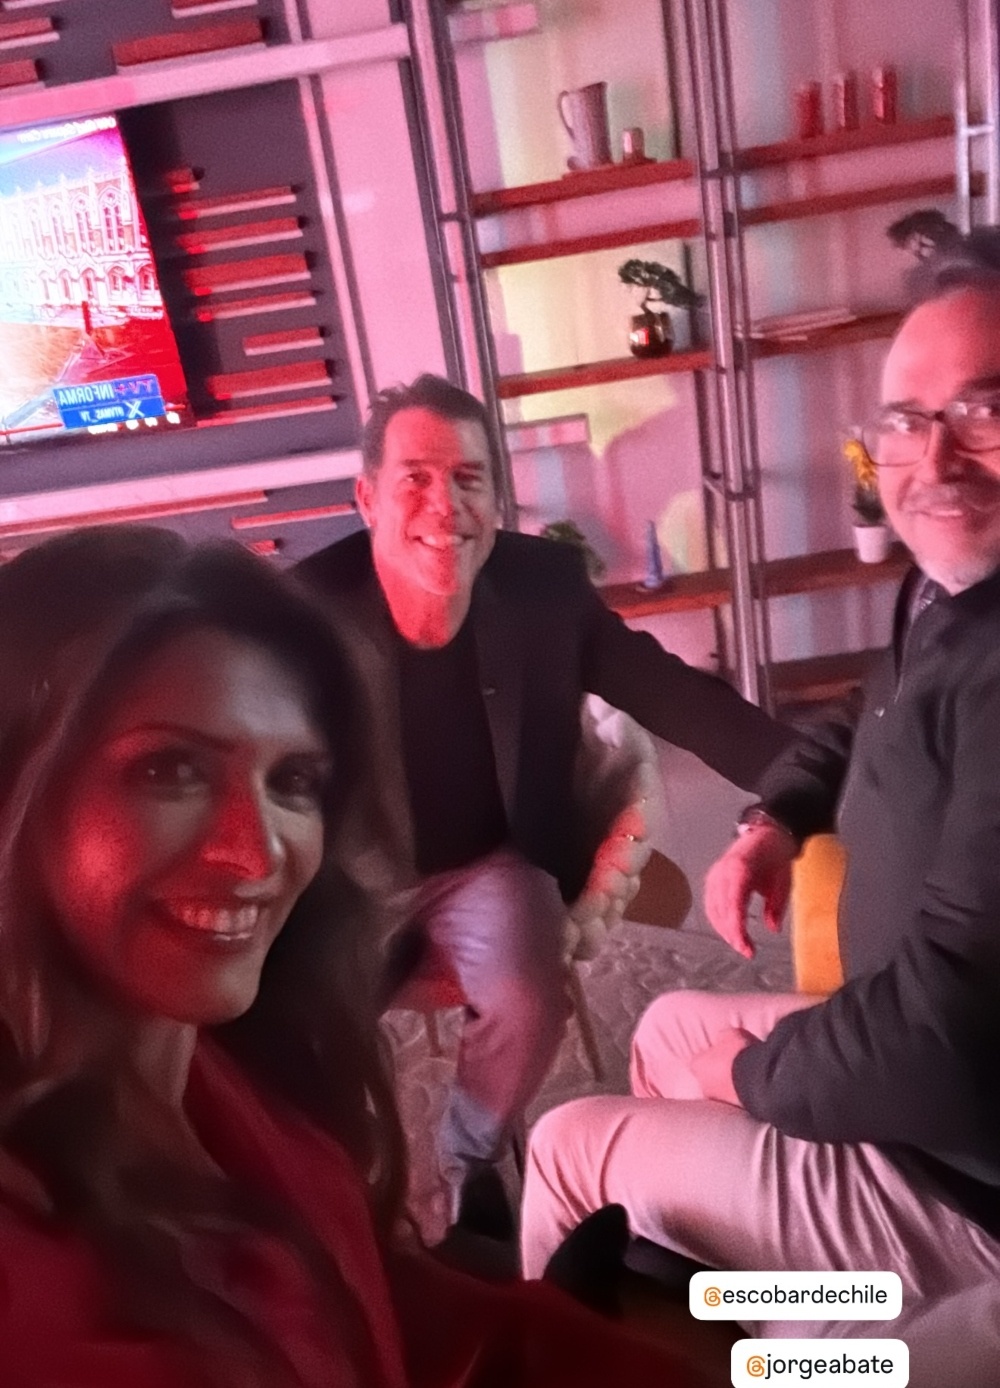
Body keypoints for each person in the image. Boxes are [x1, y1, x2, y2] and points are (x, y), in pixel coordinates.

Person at [0, 524, 722, 1388]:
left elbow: (374, 1302)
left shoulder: (230, 1064)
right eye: (169, 770)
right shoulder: (41, 1295)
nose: (260, 855)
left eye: (293, 782)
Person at [519, 235, 1000, 1383]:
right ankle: (756, 1322)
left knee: (569, 1143)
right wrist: (772, 818)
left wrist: (752, 1077)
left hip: (956, 1172)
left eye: (983, 409)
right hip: (923, 1083)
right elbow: (862, 712)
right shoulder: (953, 590)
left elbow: (941, 1028)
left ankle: (779, 1331)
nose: (933, 457)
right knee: (668, 1029)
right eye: (905, 420)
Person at [295, 373, 797, 1232]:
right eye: (416, 477)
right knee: (292, 1023)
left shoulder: (542, 590)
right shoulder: (301, 615)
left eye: (469, 479)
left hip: (490, 861)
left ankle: (470, 1159)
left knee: (531, 997)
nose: (445, 505)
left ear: (496, 500)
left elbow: (677, 695)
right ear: (367, 496)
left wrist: (805, 779)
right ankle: (335, 1191)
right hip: (350, 875)